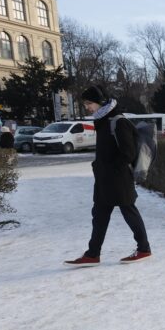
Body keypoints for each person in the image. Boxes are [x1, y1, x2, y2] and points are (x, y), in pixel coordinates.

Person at [64, 85, 152, 267]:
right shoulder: (102, 120)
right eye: (85, 103)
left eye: (89, 103)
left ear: (100, 103)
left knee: (129, 211)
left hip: (118, 178)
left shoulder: (118, 121)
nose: (87, 107)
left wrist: (111, 168)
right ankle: (93, 254)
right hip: (104, 179)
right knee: (99, 215)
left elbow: (128, 152)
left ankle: (144, 249)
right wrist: (99, 166)